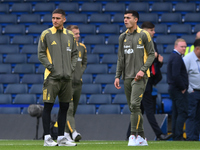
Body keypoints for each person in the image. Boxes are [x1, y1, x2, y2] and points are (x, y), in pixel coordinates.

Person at [114, 10, 155, 146]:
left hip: (140, 77)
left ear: (135, 20)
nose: (125, 20)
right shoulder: (122, 37)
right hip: (126, 76)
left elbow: (151, 54)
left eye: (128, 18)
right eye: (124, 18)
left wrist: (143, 70)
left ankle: (132, 136)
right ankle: (142, 137)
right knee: (134, 109)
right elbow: (120, 58)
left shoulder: (144, 35)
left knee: (135, 104)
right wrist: (117, 76)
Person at [38, 8, 78, 146]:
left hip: (66, 79)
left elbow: (75, 54)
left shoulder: (70, 35)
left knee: (64, 107)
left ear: (64, 20)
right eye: (53, 18)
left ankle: (61, 138)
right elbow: (41, 54)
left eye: (58, 18)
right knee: (48, 107)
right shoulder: (46, 34)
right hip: (51, 78)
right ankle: (47, 138)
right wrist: (51, 68)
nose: (55, 20)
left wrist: (70, 69)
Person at [140, 21, 173, 140]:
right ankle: (159, 134)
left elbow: (154, 66)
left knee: (140, 111)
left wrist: (159, 62)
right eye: (151, 30)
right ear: (144, 31)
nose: (154, 32)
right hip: (142, 81)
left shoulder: (152, 43)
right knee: (149, 110)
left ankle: (129, 135)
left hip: (149, 80)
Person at [64, 25, 87, 142]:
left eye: (78, 33)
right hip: (66, 83)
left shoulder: (82, 47)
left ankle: (65, 134)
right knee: (69, 109)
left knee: (73, 110)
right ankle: (74, 132)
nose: (78, 36)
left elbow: (84, 62)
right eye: (75, 33)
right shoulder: (64, 47)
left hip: (78, 83)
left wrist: (79, 74)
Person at [167, 38, 188, 141]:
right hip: (178, 89)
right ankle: (178, 136)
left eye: (185, 46)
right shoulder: (177, 58)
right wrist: (183, 87)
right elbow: (176, 75)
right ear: (176, 46)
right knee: (182, 112)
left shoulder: (173, 56)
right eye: (181, 46)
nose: (184, 48)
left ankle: (176, 135)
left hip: (173, 88)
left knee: (176, 112)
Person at [183, 39, 200, 141]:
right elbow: (183, 75)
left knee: (198, 117)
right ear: (197, 49)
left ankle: (196, 137)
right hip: (192, 92)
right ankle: (190, 138)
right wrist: (189, 89)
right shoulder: (187, 59)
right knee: (191, 115)